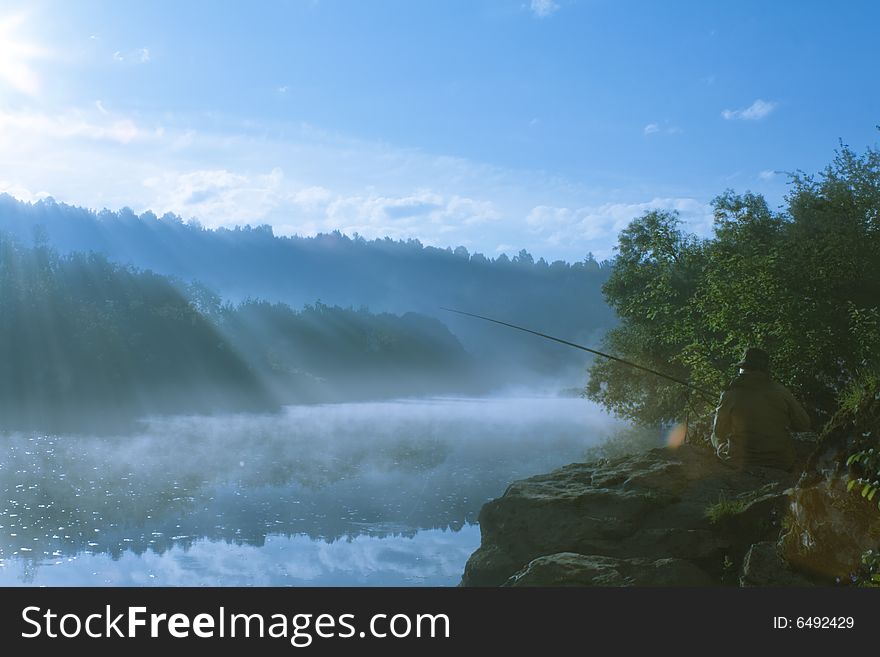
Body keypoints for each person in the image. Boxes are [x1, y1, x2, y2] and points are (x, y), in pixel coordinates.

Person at [711, 347, 811, 470]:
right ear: (764, 370)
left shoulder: (730, 394)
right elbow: (804, 424)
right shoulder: (781, 391)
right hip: (780, 461)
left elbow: (719, 432)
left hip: (739, 460)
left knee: (714, 438)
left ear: (743, 369)